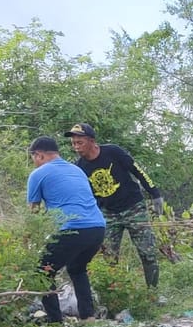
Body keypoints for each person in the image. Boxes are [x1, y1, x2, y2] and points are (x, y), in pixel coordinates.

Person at [64, 123, 164, 289]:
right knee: (109, 256)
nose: (76, 147)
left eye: (79, 142)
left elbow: (137, 170)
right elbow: (83, 195)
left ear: (91, 141)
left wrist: (155, 193)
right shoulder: (79, 167)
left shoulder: (113, 152)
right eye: (73, 143)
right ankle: (114, 294)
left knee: (147, 252)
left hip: (134, 207)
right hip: (108, 213)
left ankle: (153, 292)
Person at [26, 137, 106, 323]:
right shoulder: (77, 170)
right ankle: (88, 317)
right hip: (97, 228)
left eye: (34, 158)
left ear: (39, 155)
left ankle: (55, 322)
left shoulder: (38, 174)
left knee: (43, 272)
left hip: (72, 229)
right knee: (77, 269)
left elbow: (33, 214)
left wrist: (28, 240)